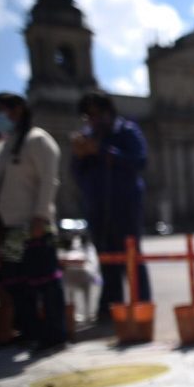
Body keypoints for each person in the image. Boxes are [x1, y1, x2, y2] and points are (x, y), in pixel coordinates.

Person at [70, 90, 150, 321]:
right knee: (105, 257)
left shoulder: (127, 131)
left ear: (108, 113)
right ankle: (110, 307)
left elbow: (139, 161)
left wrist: (103, 151)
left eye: (97, 114)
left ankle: (142, 305)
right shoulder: (87, 137)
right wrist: (81, 155)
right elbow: (77, 173)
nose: (93, 120)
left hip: (125, 206)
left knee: (132, 257)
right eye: (88, 116)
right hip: (97, 207)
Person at [0, 92, 68, 351]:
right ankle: (30, 331)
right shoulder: (7, 145)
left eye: (2, 111)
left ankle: (55, 334)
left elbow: (50, 180)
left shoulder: (38, 140)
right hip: (11, 228)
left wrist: (40, 215)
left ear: (17, 110)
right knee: (16, 283)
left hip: (35, 225)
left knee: (45, 281)